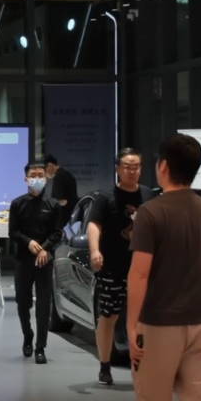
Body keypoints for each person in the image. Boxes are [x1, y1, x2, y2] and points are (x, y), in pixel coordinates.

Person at [127, 134, 201, 401]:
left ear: (163, 166)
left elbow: (139, 274)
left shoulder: (150, 213)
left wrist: (132, 325)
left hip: (159, 324)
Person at [88, 148, 156, 386]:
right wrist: (95, 251)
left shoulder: (148, 195)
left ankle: (142, 364)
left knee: (144, 317)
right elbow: (94, 225)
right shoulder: (105, 197)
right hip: (113, 266)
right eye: (127, 166)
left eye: (136, 166)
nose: (131, 171)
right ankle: (104, 365)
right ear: (118, 169)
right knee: (109, 315)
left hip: (142, 267)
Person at [9, 161, 64, 364]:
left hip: (44, 260)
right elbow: (13, 232)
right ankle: (28, 335)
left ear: (46, 177)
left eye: (41, 175)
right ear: (26, 179)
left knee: (43, 304)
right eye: (33, 175)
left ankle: (40, 347)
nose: (37, 178)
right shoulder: (17, 204)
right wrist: (29, 242)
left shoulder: (54, 205)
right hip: (23, 259)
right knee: (22, 302)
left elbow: (57, 232)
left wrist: (45, 248)